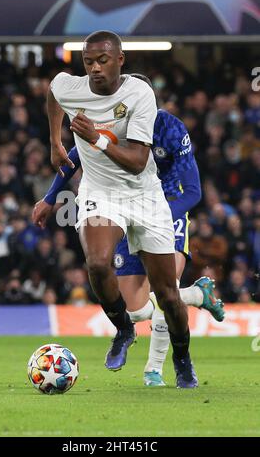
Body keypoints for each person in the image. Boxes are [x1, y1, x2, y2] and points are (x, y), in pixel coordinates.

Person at [33, 74, 225, 386]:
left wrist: (163, 214)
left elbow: (192, 191)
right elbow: (76, 155)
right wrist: (51, 197)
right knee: (134, 308)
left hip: (164, 205)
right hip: (114, 205)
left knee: (165, 292)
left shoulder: (171, 129)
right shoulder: (110, 120)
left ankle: (158, 368)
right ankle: (195, 295)